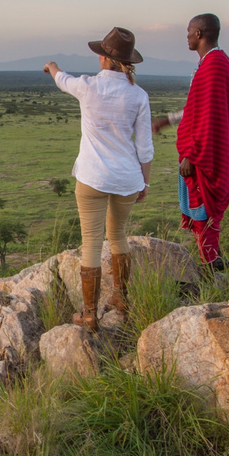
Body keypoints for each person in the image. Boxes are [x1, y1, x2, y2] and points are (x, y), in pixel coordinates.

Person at [44, 26, 152, 330]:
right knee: (117, 234)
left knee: (91, 243)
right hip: (127, 178)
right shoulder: (138, 95)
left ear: (104, 58)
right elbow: (145, 146)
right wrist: (145, 182)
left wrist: (51, 66)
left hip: (92, 177)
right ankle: (120, 297)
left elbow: (61, 79)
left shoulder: (87, 86)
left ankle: (89, 313)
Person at [152, 13, 229, 269]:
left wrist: (192, 153)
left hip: (205, 153)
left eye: (189, 31)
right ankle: (215, 263)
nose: (186, 36)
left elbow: (208, 116)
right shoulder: (212, 64)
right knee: (202, 216)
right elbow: (196, 109)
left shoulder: (213, 65)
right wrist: (168, 120)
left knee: (204, 215)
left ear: (199, 34)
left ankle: (213, 272)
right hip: (206, 149)